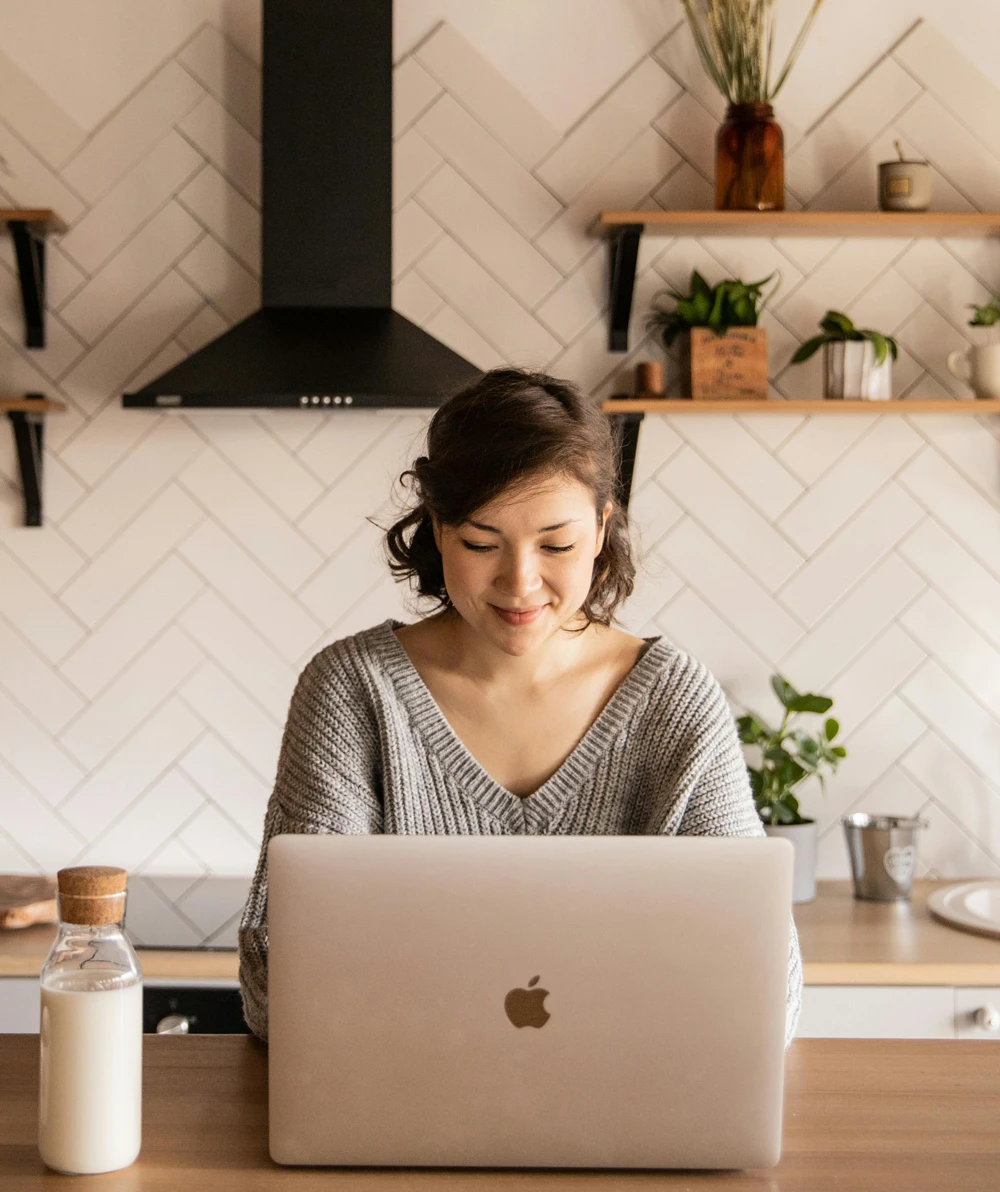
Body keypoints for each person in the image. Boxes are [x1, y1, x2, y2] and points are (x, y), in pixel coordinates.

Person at [238, 367, 803, 1046]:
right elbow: (278, 991)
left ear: (601, 528)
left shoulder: (673, 702)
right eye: (482, 543)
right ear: (438, 529)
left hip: (628, 1122)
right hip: (403, 1118)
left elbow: (766, 993)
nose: (520, 581)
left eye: (556, 544)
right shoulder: (352, 693)